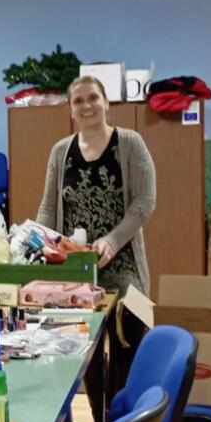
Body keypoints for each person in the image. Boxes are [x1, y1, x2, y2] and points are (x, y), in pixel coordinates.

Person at [36, 75, 156, 295]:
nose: (87, 105)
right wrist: (37, 243)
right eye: (78, 101)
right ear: (71, 110)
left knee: (130, 313)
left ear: (106, 102)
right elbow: (48, 207)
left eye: (93, 97)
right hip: (72, 263)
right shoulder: (60, 151)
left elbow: (144, 202)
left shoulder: (130, 143)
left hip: (122, 260)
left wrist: (112, 241)